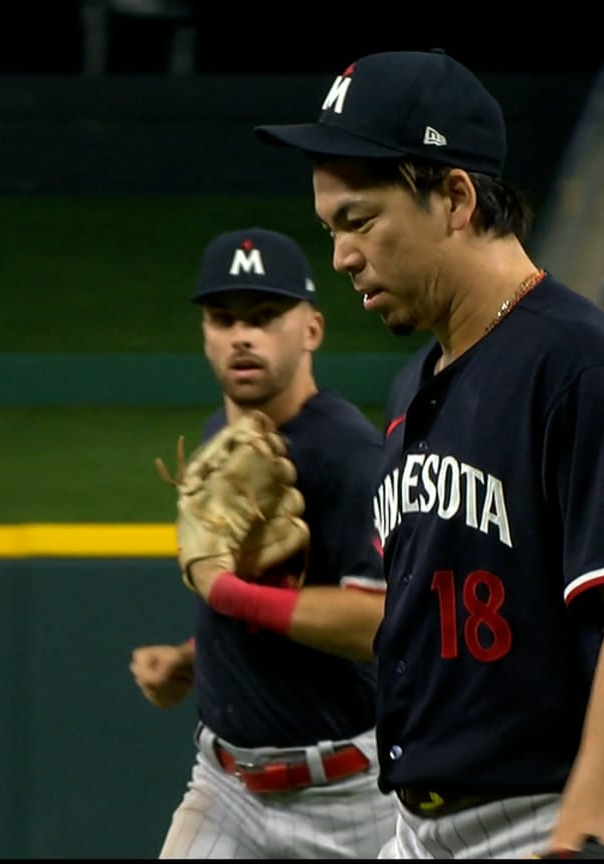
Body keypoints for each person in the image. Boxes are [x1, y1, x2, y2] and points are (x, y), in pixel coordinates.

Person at [254, 49, 604, 859]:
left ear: (455, 197)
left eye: (359, 221)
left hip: (562, 812)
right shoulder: (413, 386)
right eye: (330, 231)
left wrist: (581, 834)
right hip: (427, 826)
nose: (340, 258)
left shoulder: (577, 364)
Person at [129, 227, 395, 859]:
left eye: (266, 315)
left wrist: (225, 593)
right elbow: (269, 591)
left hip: (351, 800)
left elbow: (382, 625)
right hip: (224, 787)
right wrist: (192, 658)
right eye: (223, 318)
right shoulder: (224, 433)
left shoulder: (352, 455)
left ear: (312, 330)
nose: (242, 335)